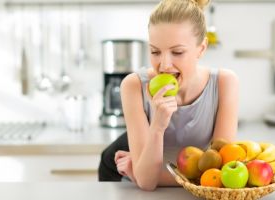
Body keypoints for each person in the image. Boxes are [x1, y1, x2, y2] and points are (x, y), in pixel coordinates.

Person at [98, 0, 239, 191]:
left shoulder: (224, 83)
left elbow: (219, 175)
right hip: (122, 178)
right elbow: (147, 183)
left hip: (146, 177)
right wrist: (158, 125)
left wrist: (143, 172)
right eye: (155, 51)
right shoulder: (133, 86)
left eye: (177, 52)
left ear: (202, 48)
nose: (164, 65)